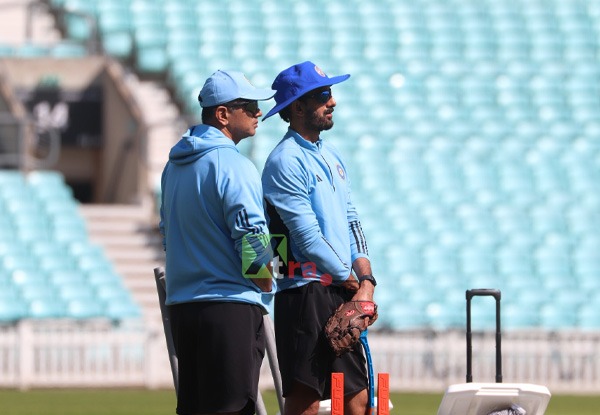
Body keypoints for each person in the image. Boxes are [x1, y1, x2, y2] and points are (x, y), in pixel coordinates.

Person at [262, 61, 377, 415]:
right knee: (305, 401)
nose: (333, 101)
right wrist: (351, 283)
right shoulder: (284, 160)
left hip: (340, 288)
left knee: (357, 401)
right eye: (322, 95)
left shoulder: (331, 153)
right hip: (304, 292)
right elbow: (307, 238)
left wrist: (367, 279)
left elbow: (351, 218)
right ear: (297, 108)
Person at [159, 69, 276, 415]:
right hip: (230, 308)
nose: (258, 113)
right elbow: (252, 236)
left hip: (183, 306)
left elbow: (166, 234)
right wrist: (270, 279)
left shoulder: (173, 167)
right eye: (249, 106)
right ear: (223, 114)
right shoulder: (234, 164)